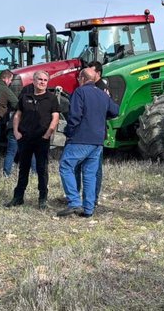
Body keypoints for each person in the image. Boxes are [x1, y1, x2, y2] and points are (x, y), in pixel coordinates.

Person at [57, 68, 119, 218]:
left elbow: (75, 116)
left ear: (82, 79)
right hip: (98, 141)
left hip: (81, 137)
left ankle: (74, 202)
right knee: (90, 174)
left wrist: (69, 132)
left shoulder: (80, 92)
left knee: (66, 165)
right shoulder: (102, 94)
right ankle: (88, 209)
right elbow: (115, 111)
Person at [5, 71, 60, 210]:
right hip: (25, 138)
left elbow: (55, 117)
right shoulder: (25, 97)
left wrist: (48, 134)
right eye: (40, 79)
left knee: (42, 169)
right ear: (34, 81)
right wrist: (16, 132)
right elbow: (17, 115)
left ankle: (42, 199)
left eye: (45, 80)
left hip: (42, 138)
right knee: (23, 168)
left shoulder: (52, 98)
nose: (42, 82)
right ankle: (18, 197)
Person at [3, 83, 36, 177]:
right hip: (26, 129)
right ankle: (34, 173)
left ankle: (6, 174)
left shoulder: (19, 103)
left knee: (10, 152)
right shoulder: (34, 104)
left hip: (13, 128)